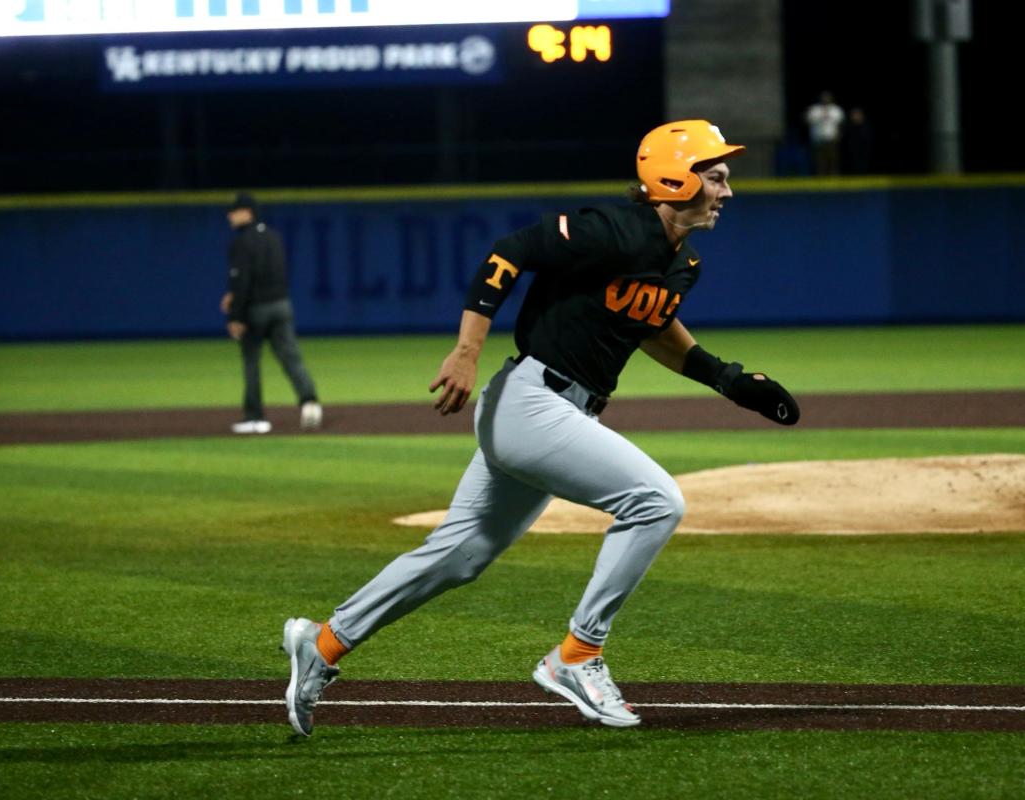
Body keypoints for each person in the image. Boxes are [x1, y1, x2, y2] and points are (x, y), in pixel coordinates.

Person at [279, 120, 799, 735]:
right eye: (716, 177)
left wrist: (729, 380)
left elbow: (652, 329)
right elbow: (510, 252)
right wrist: (467, 349)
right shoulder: (613, 229)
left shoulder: (681, 262)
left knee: (459, 555)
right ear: (674, 177)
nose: (727, 191)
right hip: (532, 402)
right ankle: (579, 655)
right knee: (656, 501)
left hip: (553, 413)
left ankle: (326, 642)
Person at [220, 192, 322, 434]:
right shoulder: (274, 237)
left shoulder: (242, 241)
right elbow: (272, 273)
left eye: (234, 211)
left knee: (251, 361)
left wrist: (235, 316)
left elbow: (242, 281)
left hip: (256, 309)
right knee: (291, 358)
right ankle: (310, 403)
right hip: (281, 305)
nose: (230, 215)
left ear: (247, 212)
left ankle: (255, 417)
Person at [804, 91, 845, 176]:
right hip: (818, 138)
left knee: (832, 159)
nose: (825, 99)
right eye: (824, 97)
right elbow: (808, 121)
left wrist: (839, 135)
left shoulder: (835, 110)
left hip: (831, 138)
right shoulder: (814, 109)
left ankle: (834, 177)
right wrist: (820, 117)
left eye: (827, 97)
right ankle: (820, 177)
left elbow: (841, 123)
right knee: (819, 160)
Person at [843, 107, 874, 175]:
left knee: (863, 163)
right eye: (854, 115)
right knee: (853, 163)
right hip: (852, 149)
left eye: (857, 114)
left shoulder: (866, 125)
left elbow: (868, 138)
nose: (855, 116)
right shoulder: (849, 126)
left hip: (864, 149)